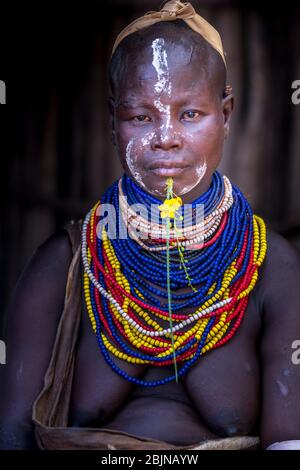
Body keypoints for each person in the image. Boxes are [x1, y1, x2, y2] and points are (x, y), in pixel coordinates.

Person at [1, 0, 300, 451]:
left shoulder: (273, 268)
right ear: (112, 121)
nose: (165, 137)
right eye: (140, 116)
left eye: (190, 114)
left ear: (226, 113)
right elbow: (12, 437)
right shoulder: (64, 262)